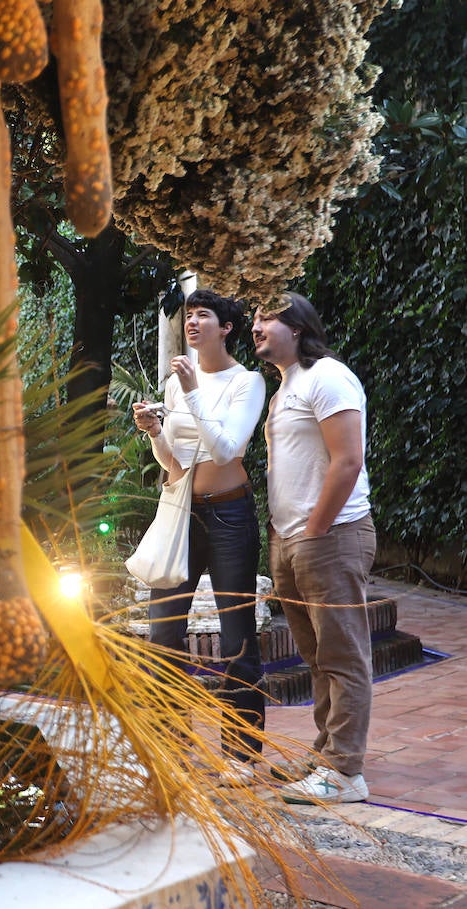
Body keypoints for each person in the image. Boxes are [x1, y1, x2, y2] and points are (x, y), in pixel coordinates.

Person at [132, 289, 268, 781]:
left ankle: (240, 754)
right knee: (163, 631)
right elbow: (173, 461)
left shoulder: (247, 381)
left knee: (236, 635)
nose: (192, 322)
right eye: (188, 315)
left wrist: (192, 392)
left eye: (203, 315)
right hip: (182, 512)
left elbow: (227, 449)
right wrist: (155, 431)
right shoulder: (176, 383)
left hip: (230, 514)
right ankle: (171, 746)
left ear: (225, 327)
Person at [252, 291, 376, 805]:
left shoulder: (328, 376)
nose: (256, 325)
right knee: (318, 657)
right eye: (255, 317)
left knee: (342, 655)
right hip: (292, 539)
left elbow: (347, 460)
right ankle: (326, 754)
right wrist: (286, 535)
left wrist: (316, 529)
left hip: (330, 536)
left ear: (298, 326)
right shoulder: (285, 388)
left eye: (267, 316)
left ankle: (345, 772)